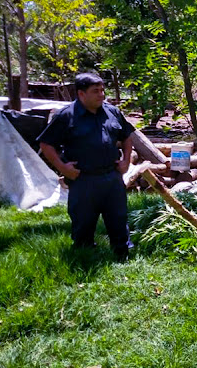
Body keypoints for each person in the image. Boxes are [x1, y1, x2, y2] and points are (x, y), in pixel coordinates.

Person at [38, 73, 135, 261]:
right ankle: (85, 256)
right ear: (81, 94)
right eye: (95, 91)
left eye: (102, 90)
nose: (101, 95)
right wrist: (62, 167)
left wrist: (126, 161)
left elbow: (127, 136)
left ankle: (122, 254)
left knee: (118, 218)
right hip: (83, 179)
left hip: (112, 177)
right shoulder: (67, 116)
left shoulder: (112, 112)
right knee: (83, 223)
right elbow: (46, 144)